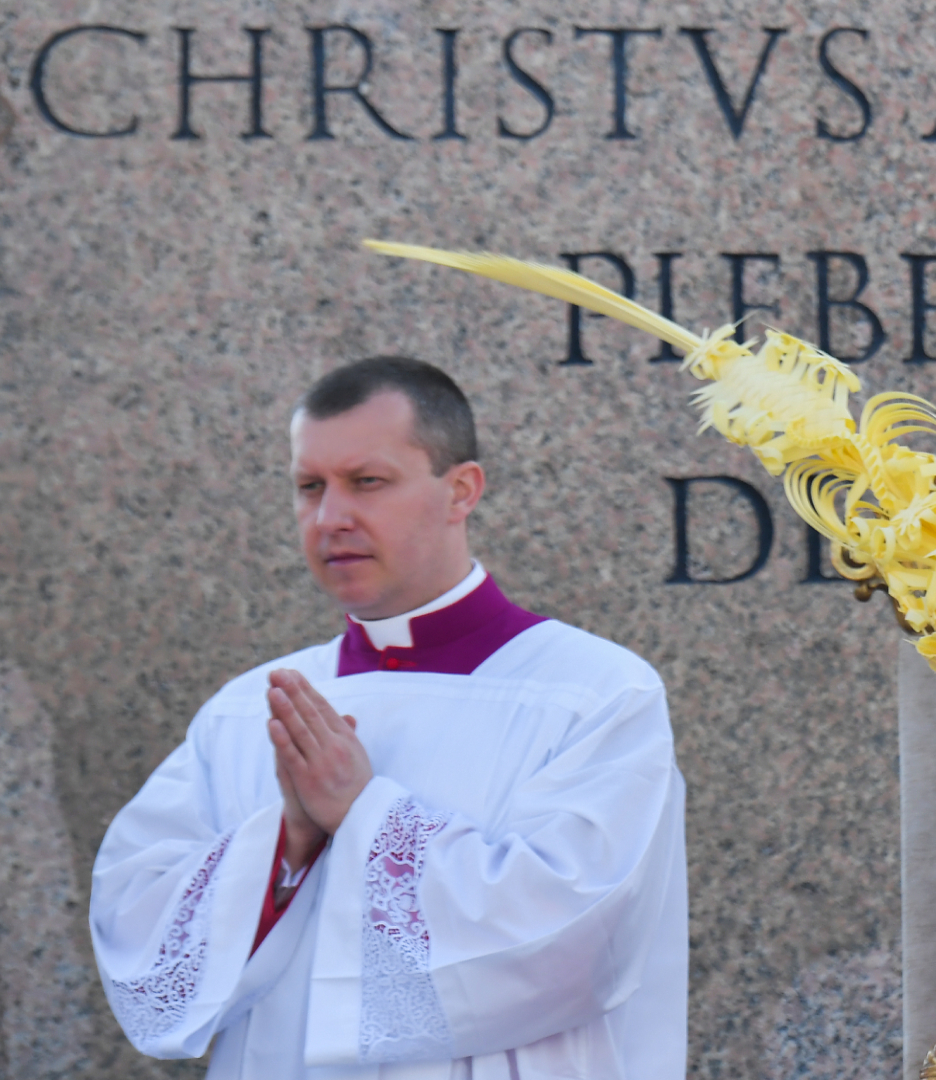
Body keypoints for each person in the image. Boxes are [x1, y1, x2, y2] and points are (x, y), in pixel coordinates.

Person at [90, 357, 687, 1078]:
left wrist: (364, 815)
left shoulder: (595, 695)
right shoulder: (248, 708)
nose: (330, 518)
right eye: (309, 487)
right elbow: (138, 929)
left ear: (461, 490)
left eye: (367, 482)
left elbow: (581, 935)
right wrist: (287, 841)